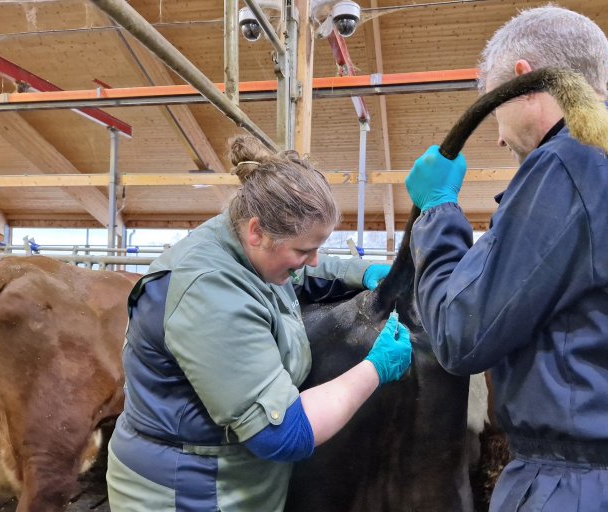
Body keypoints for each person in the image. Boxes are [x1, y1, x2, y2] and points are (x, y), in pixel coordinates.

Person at [404, 6, 608, 512]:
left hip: (583, 486)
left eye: (494, 109)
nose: (496, 135)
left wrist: (438, 212)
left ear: (522, 80)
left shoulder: (568, 162)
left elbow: (459, 333)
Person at [106, 135, 411, 511]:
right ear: (257, 232)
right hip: (186, 492)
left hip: (230, 479)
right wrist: (374, 370)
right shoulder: (209, 294)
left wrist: (366, 273)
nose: (313, 261)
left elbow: (304, 275)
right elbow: (280, 434)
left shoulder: (242, 245)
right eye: (304, 250)